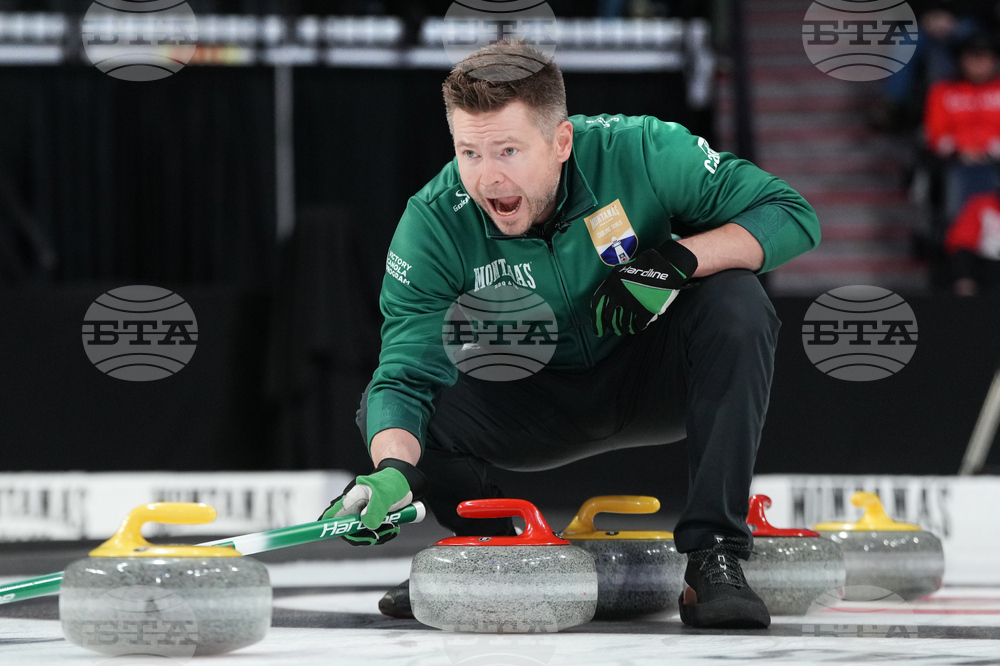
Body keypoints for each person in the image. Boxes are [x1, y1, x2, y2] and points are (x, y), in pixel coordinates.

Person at [319, 40, 820, 629]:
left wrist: (677, 260)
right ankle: (494, 555)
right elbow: (404, 373)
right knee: (384, 414)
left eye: (508, 150)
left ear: (561, 142)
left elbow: (791, 214)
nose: (487, 177)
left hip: (655, 380)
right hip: (531, 404)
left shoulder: (642, 150)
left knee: (737, 299)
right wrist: (392, 472)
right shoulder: (432, 221)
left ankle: (715, 556)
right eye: (469, 152)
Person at [924, 33, 1000, 224]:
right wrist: (961, 148)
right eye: (972, 57)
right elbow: (936, 132)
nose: (978, 63)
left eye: (984, 57)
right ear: (961, 60)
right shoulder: (942, 90)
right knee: (942, 176)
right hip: (953, 159)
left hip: (996, 156)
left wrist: (988, 148)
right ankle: (949, 233)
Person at [944, 189, 1000, 294]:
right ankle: (966, 304)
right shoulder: (981, 204)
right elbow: (961, 239)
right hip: (985, 261)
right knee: (962, 255)